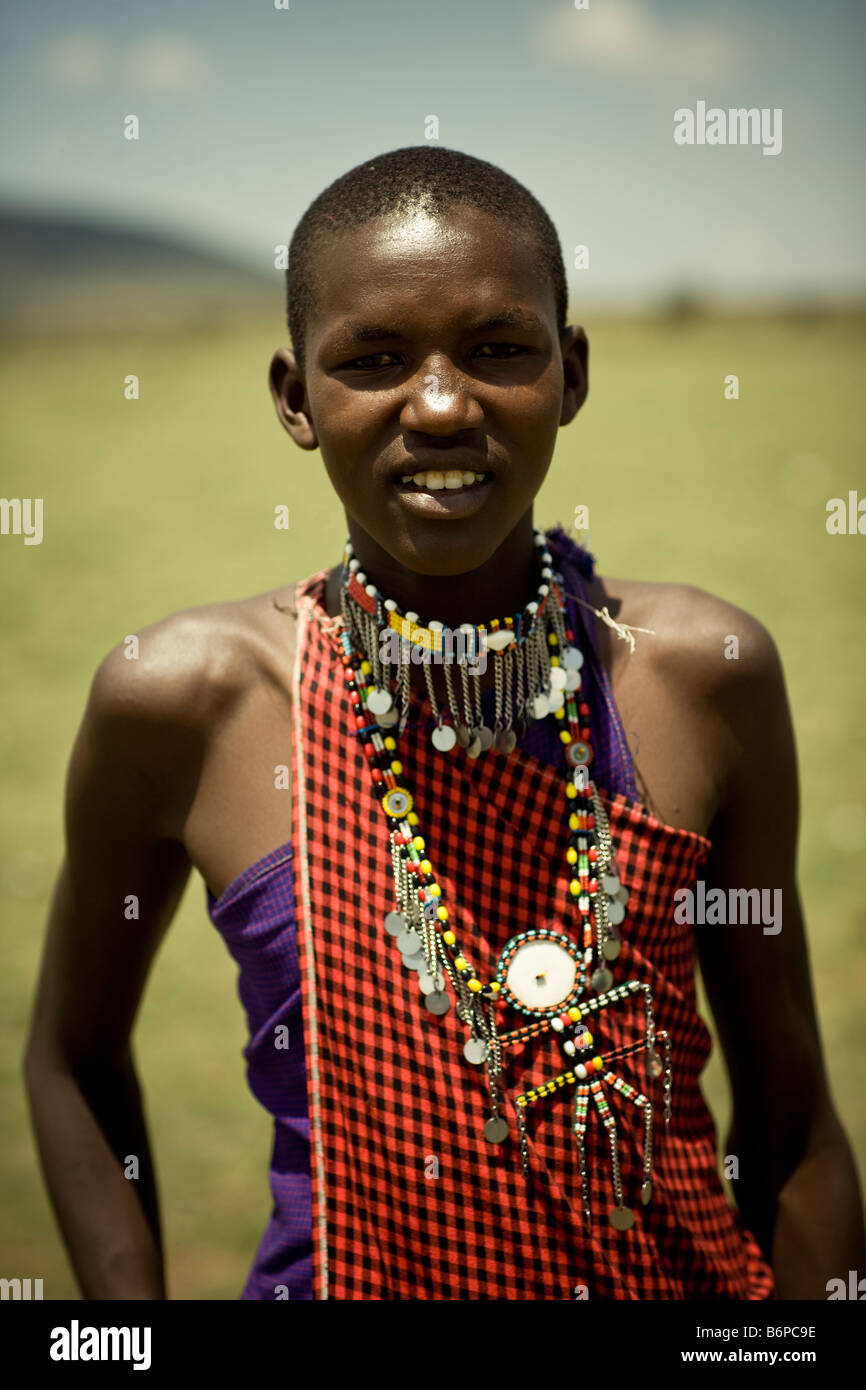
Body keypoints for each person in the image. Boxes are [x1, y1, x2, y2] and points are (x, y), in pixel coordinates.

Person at [24, 145, 865, 1301]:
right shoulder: (184, 699)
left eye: (498, 350)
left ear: (568, 373)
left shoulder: (698, 676)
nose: (437, 405)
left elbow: (790, 1115)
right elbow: (67, 1056)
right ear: (294, 400)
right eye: (370, 360)